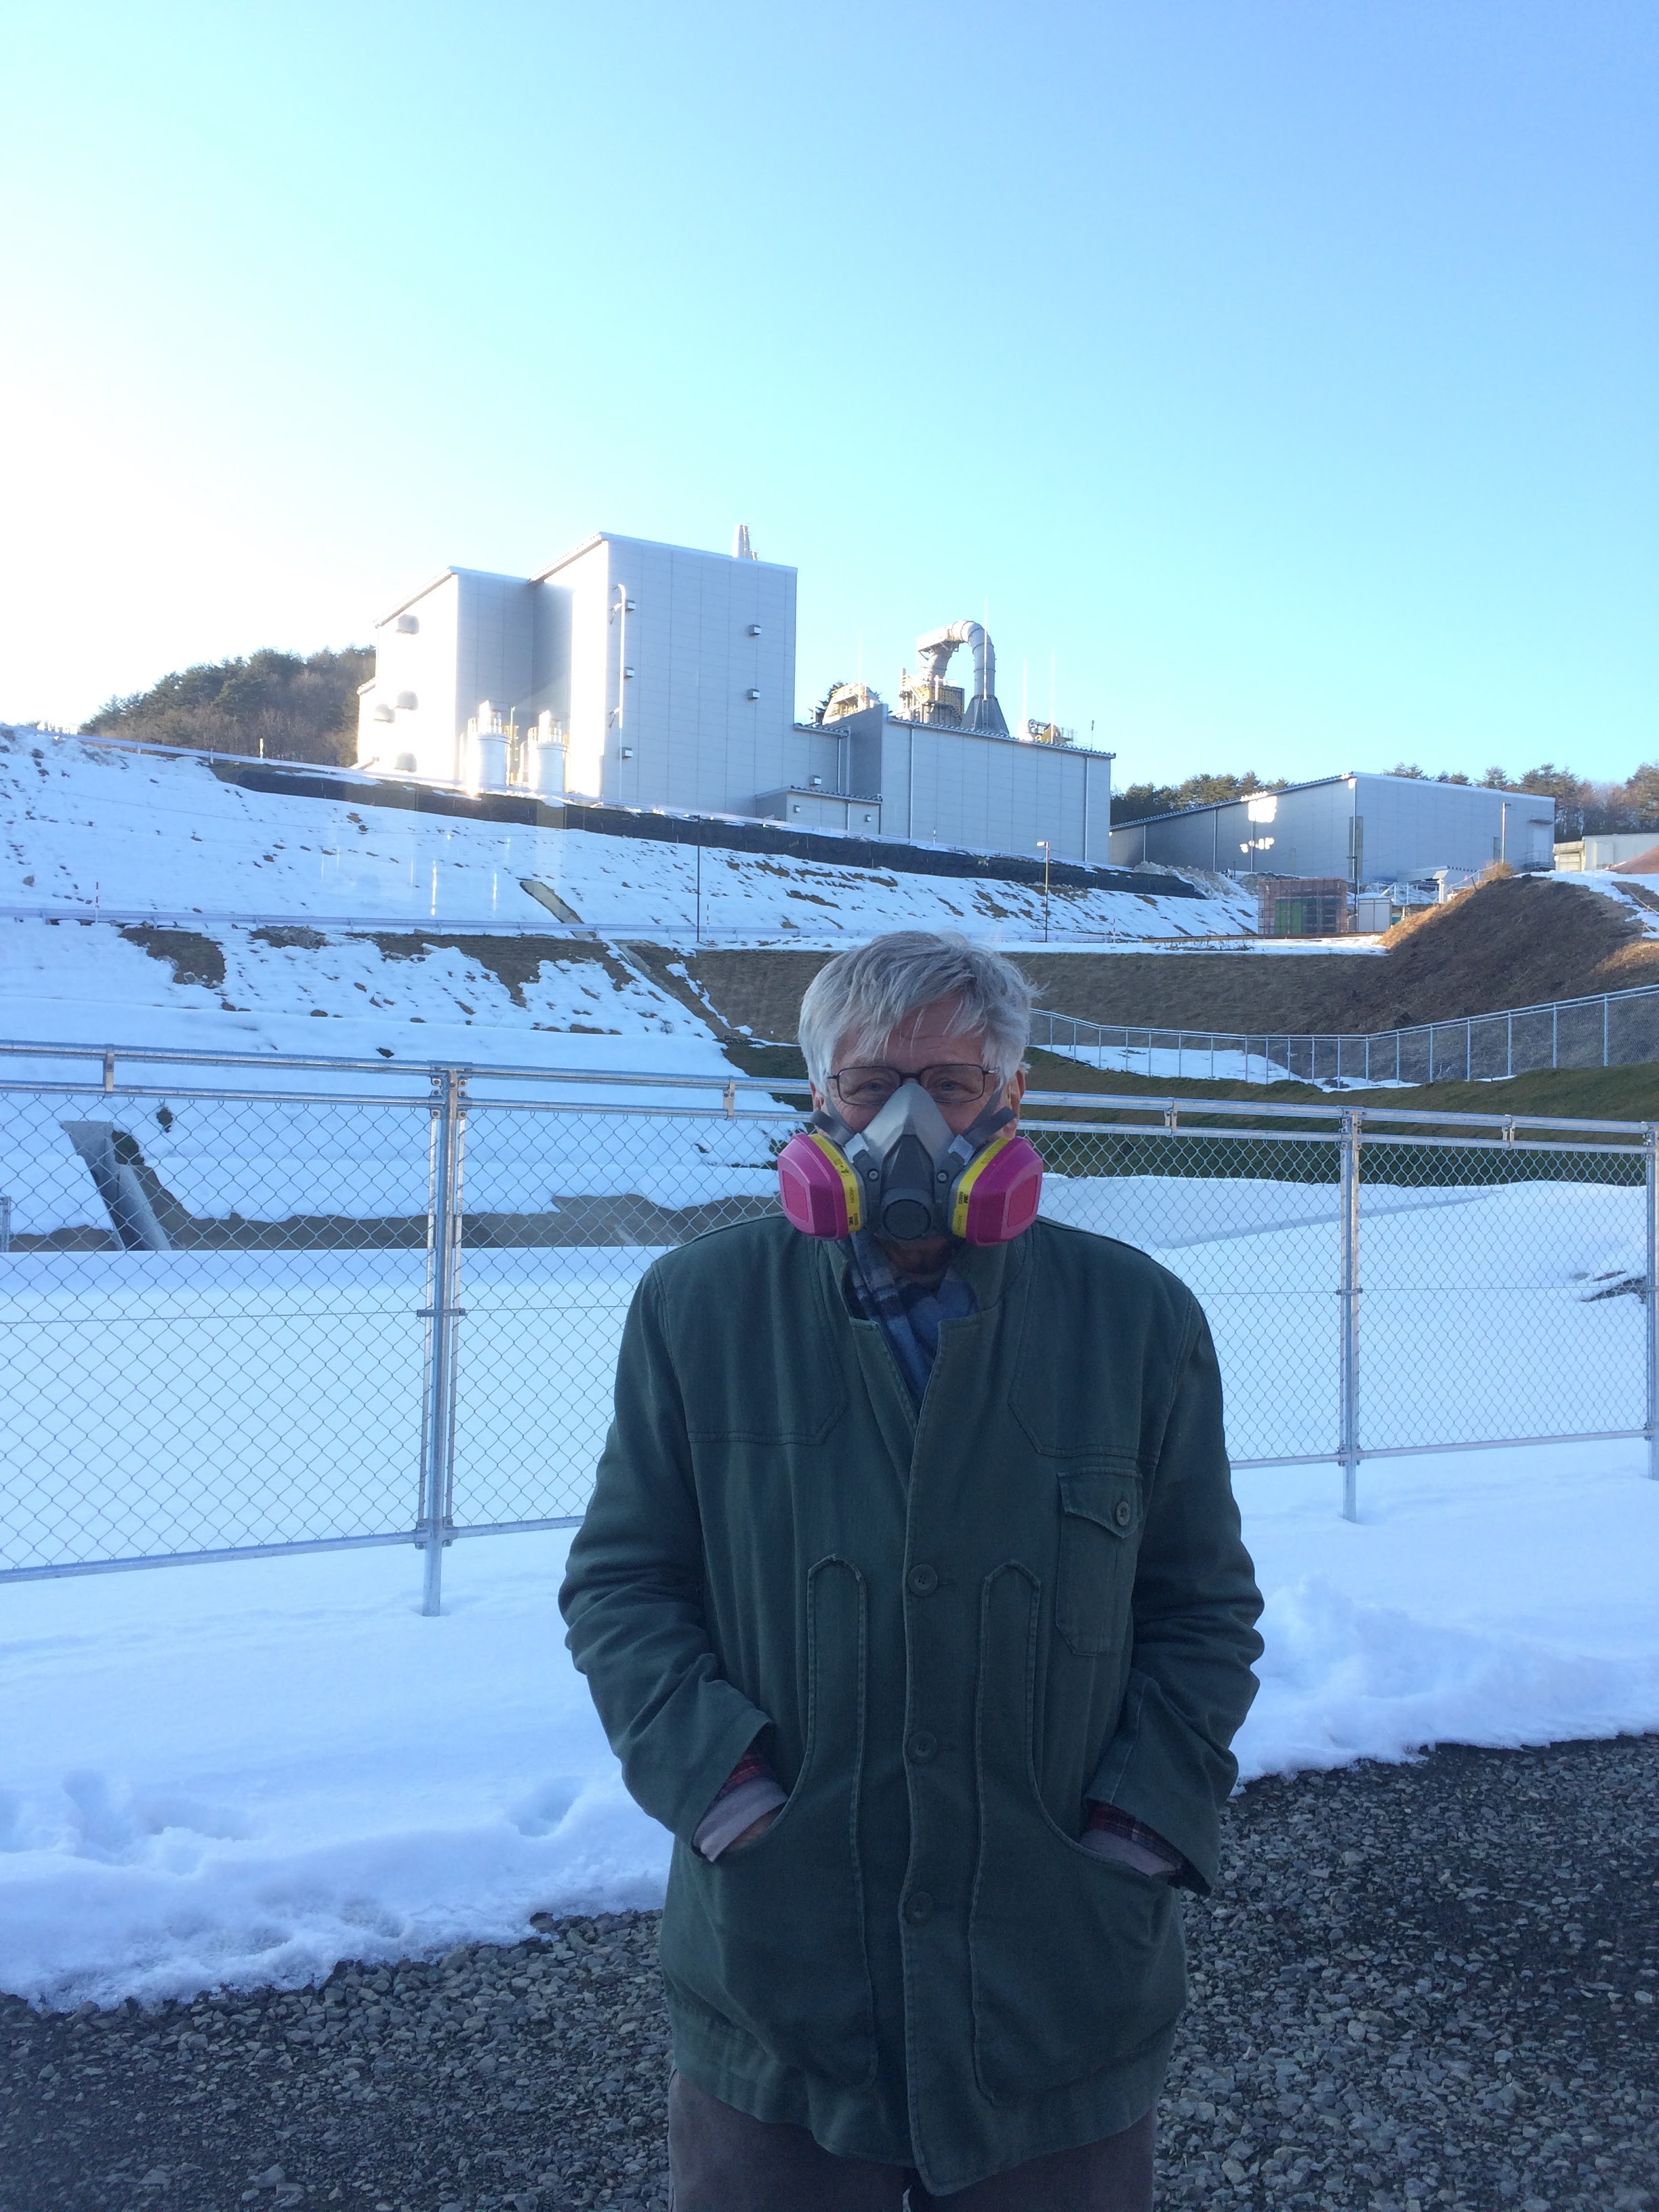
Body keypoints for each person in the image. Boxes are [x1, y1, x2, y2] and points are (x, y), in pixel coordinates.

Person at [560, 930, 1263, 2209]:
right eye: (869, 1081)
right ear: (816, 1095)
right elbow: (623, 1584)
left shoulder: (1137, 1320)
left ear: (1011, 1098)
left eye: (947, 1085)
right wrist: (727, 1794)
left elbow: (1200, 1607)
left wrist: (1136, 1830)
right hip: (780, 1991)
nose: (904, 1122)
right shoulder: (698, 1309)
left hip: (1054, 1999)